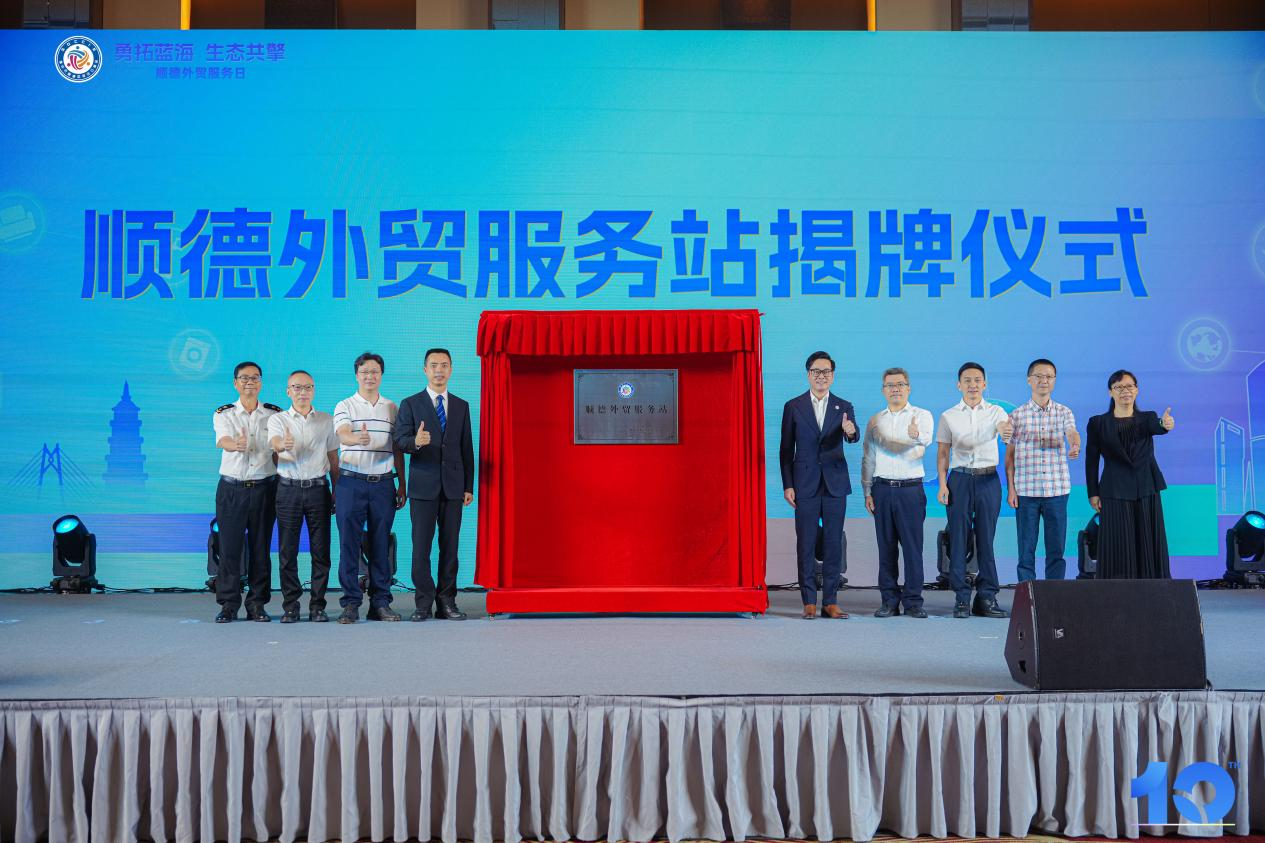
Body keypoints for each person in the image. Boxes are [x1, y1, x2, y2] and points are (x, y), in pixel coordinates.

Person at [394, 348, 475, 622]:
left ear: (451, 369)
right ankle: (423, 603)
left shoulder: (461, 406)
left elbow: (466, 448)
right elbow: (400, 441)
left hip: (453, 488)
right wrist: (416, 442)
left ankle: (447, 602)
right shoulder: (410, 403)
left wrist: (468, 486)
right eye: (433, 365)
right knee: (421, 549)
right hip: (423, 488)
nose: (439, 370)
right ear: (425, 370)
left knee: (450, 548)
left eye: (444, 365)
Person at [779, 351, 859, 619]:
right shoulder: (794, 406)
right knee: (806, 542)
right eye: (816, 371)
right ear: (808, 375)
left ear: (833, 376)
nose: (821, 376)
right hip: (804, 483)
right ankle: (809, 601)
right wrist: (788, 485)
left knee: (834, 542)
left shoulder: (843, 406)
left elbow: (853, 435)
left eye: (826, 372)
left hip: (835, 484)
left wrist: (850, 432)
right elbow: (786, 450)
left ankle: (831, 601)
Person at [332, 352, 406, 623]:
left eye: (375, 372)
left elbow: (397, 447)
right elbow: (342, 433)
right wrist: (356, 439)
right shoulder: (345, 405)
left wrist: (402, 483)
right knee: (349, 544)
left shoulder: (391, 408)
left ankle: (380, 603)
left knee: (380, 544)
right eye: (364, 372)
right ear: (356, 375)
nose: (369, 376)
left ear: (381, 375)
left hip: (383, 484)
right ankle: (351, 603)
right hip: (351, 482)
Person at [936, 362, 1012, 619]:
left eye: (977, 380)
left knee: (986, 540)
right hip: (959, 480)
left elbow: (1003, 429)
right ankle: (961, 598)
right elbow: (943, 452)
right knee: (958, 539)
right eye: (967, 380)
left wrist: (1005, 432)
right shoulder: (948, 416)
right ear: (959, 385)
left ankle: (987, 597)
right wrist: (943, 483)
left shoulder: (996, 412)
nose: (972, 385)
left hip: (988, 479)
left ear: (985, 384)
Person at [1085, 369, 1174, 579]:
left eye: (1129, 386)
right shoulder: (1098, 423)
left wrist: (1165, 424)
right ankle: (1117, 588)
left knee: (1149, 540)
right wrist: (1093, 492)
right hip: (1114, 489)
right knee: (1117, 542)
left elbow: (1159, 426)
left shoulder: (1147, 418)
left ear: (1137, 390)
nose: (1125, 391)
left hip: (1146, 487)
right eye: (1119, 387)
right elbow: (1091, 460)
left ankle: (1154, 587)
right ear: (1110, 392)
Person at [211, 361, 281, 623]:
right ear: (235, 383)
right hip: (232, 488)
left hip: (265, 488)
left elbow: (278, 451)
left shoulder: (275, 414)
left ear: (261, 382)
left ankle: (257, 604)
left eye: (255, 377)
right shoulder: (224, 413)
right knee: (229, 548)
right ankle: (228, 604)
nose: (250, 382)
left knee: (261, 549)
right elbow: (222, 440)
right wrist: (235, 444)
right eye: (244, 378)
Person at [268, 370, 339, 623]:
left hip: (319, 490)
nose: (302, 392)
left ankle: (318, 605)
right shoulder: (278, 420)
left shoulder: (327, 420)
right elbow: (275, 444)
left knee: (321, 551)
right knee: (288, 551)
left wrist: (336, 491)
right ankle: (291, 605)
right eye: (297, 387)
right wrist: (283, 445)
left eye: (308, 387)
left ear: (314, 391)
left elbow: (333, 458)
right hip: (288, 490)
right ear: (288, 391)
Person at [861, 367, 933, 618]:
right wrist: (867, 491)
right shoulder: (875, 421)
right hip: (881, 490)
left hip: (910, 490)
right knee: (886, 548)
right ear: (883, 390)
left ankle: (913, 602)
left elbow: (927, 439)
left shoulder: (921, 415)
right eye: (890, 385)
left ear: (908, 388)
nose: (895, 389)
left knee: (913, 549)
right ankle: (889, 601)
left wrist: (916, 434)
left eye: (900, 384)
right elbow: (868, 457)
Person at [1006, 358, 1081, 583]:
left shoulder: (1064, 412)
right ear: (1029, 380)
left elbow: (1072, 432)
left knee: (1056, 550)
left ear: (1054, 381)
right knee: (1025, 551)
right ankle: (1026, 594)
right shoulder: (1016, 415)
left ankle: (1054, 595)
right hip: (1026, 492)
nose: (1044, 380)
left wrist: (1075, 445)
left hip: (1056, 491)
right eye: (1038, 376)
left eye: (1049, 376)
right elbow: (1009, 457)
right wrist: (1011, 489)